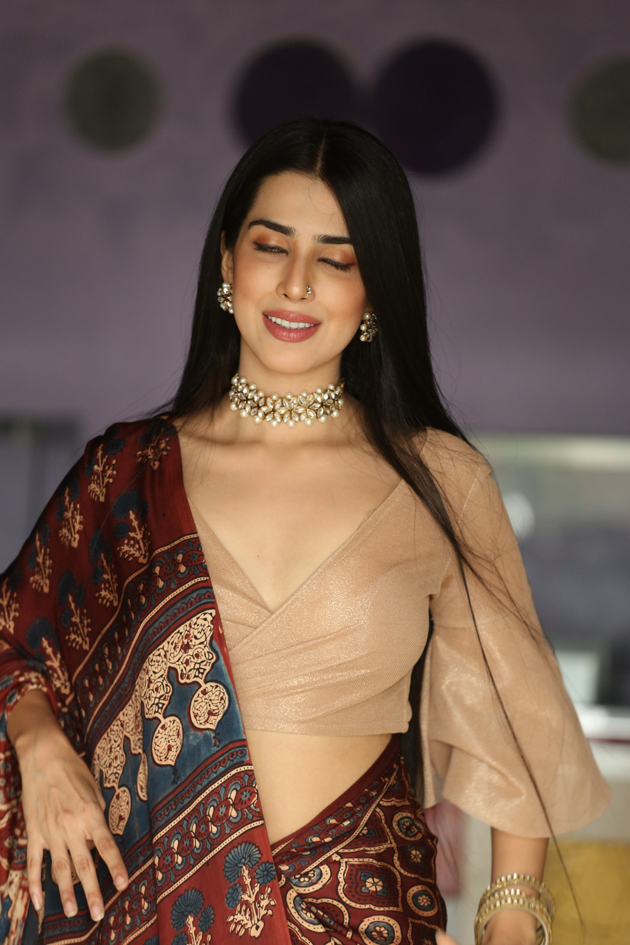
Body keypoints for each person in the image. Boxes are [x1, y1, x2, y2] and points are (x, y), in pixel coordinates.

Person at [0, 117, 610, 945]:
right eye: (271, 245)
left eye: (336, 259)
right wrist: (39, 748)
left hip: (359, 913)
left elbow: (514, 718)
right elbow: (14, 635)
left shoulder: (439, 479)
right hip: (150, 914)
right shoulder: (128, 472)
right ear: (227, 261)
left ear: (374, 290)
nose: (296, 284)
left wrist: (512, 913)